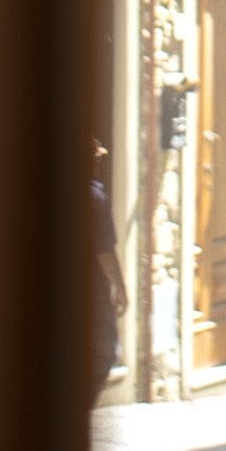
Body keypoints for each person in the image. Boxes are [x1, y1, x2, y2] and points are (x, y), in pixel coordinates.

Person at [92, 139, 129, 401]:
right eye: (96, 158)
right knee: (105, 351)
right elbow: (104, 250)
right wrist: (120, 287)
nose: (98, 163)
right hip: (91, 288)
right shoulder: (95, 197)